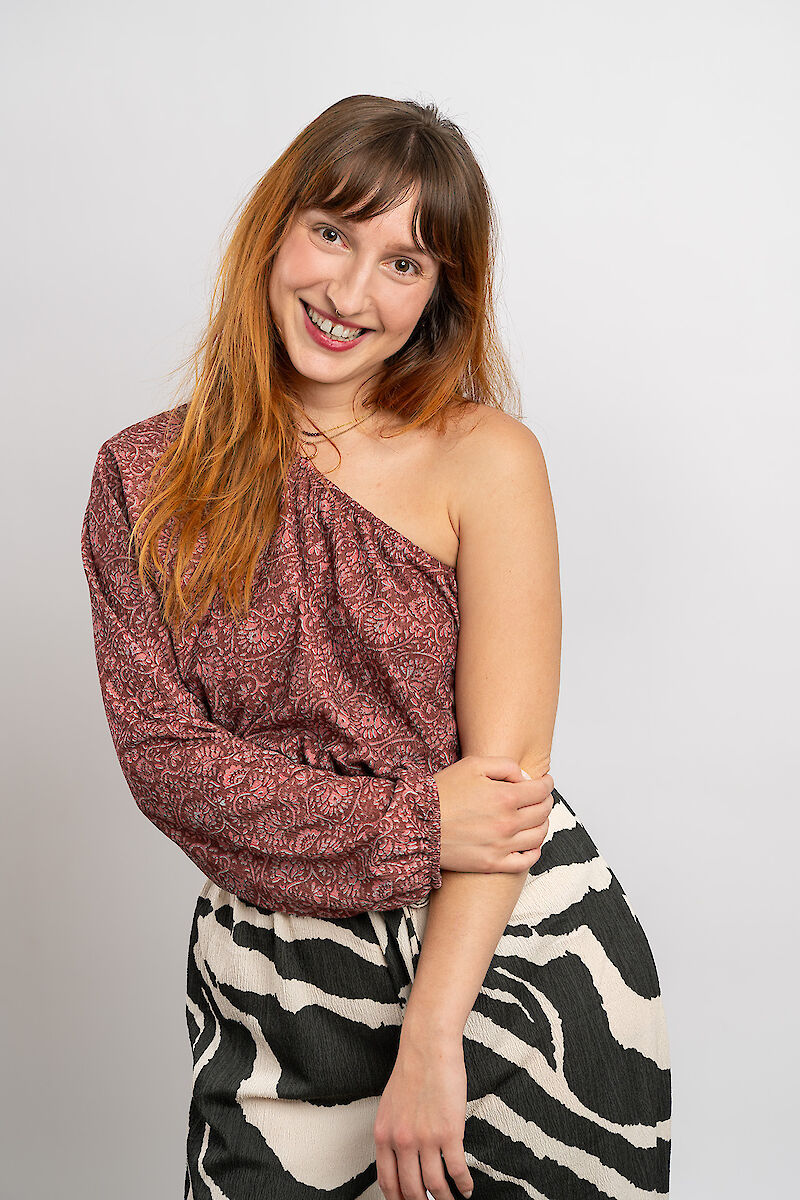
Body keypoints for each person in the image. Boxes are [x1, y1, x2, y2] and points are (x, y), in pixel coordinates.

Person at [81, 95, 671, 1200]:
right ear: (275, 229)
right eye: (333, 232)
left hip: (513, 978)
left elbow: (504, 788)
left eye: (404, 263)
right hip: (275, 986)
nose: (351, 294)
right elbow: (166, 764)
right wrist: (416, 820)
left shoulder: (487, 456)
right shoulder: (141, 477)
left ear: (442, 291)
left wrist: (432, 1040)